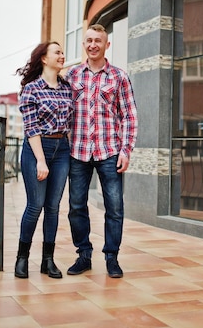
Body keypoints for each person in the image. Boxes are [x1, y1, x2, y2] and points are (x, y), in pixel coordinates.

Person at [65, 24, 138, 278]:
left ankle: (111, 258)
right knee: (76, 206)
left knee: (114, 207)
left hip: (109, 152)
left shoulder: (119, 77)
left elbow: (129, 115)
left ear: (107, 45)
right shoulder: (72, 76)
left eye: (98, 40)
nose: (93, 44)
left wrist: (126, 150)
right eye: (88, 40)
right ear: (83, 44)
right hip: (78, 152)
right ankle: (83, 254)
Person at [14, 41, 73, 278]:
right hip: (36, 148)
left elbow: (70, 124)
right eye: (57, 52)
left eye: (62, 52)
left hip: (62, 150)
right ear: (44, 59)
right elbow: (31, 128)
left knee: (53, 207)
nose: (62, 55)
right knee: (35, 205)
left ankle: (48, 260)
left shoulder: (67, 88)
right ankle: (22, 258)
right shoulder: (31, 89)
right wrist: (40, 160)